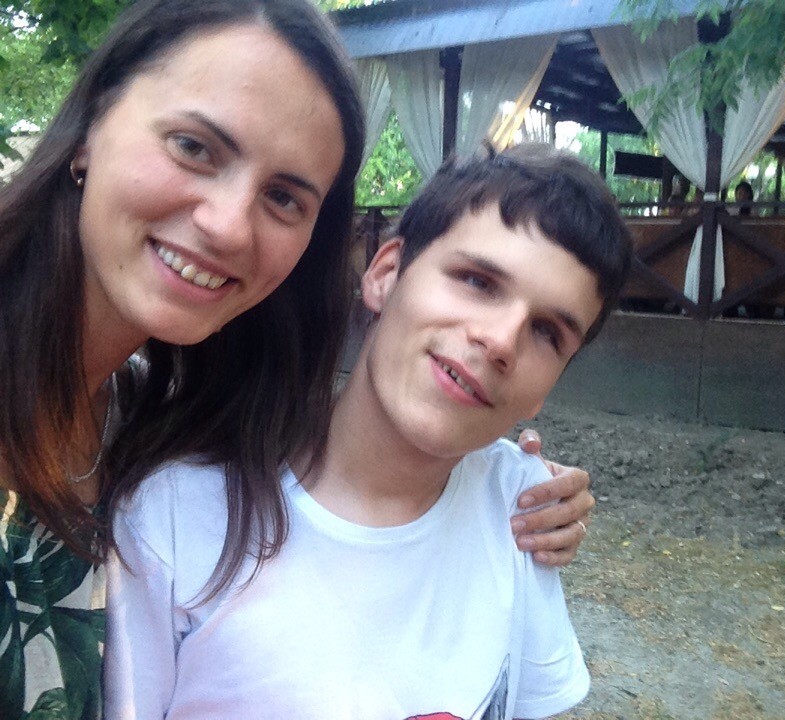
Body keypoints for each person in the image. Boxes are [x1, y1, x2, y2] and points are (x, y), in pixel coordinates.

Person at [0, 2, 592, 718]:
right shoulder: (166, 477)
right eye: (194, 147)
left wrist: (517, 487)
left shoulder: (142, 417)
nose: (228, 226)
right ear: (90, 127)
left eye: (283, 197)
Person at [106, 144, 633, 718]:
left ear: (548, 388)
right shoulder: (176, 515)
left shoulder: (521, 507)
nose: (502, 340)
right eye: (477, 281)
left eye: (548, 333)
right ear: (385, 275)